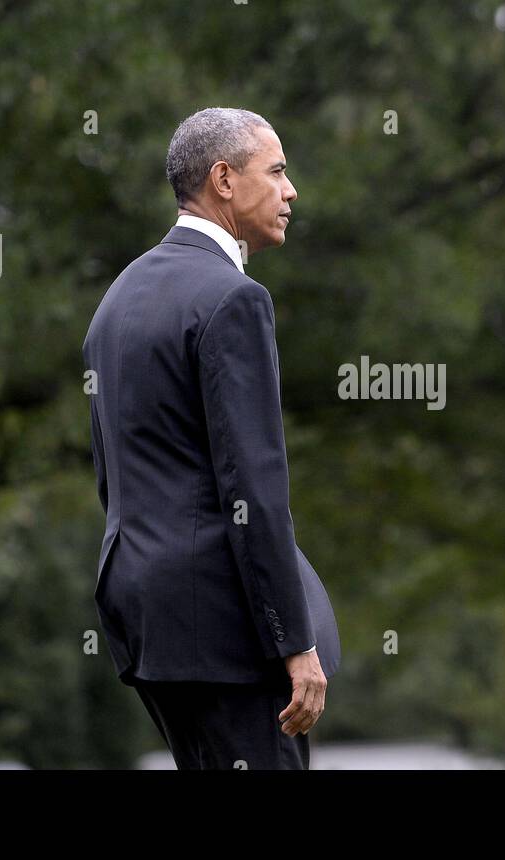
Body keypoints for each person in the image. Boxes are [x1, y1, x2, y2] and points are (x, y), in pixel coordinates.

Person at [82, 107, 340, 770]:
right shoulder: (234, 298)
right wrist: (292, 641)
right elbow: (253, 487)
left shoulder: (117, 300)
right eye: (277, 171)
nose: (291, 191)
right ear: (224, 179)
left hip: (147, 621)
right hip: (227, 634)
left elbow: (113, 478)